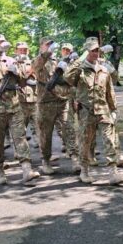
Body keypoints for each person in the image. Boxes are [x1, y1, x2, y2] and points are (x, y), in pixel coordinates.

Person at [63, 37, 123, 185]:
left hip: (103, 110)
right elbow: (67, 77)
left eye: (97, 50)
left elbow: (109, 90)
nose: (96, 53)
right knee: (85, 143)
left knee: (109, 141)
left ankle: (113, 172)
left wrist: (113, 109)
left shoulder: (103, 69)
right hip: (86, 112)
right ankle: (84, 171)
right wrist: (80, 60)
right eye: (92, 50)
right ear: (86, 52)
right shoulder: (79, 70)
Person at [0, 34, 39, 185]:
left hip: (14, 106)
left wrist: (17, 72)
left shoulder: (12, 60)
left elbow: (22, 81)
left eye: (2, 42)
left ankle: (27, 169)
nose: (0, 44)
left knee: (20, 137)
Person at [33, 38, 81, 174]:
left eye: (51, 44)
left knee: (69, 129)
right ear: (41, 46)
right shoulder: (38, 61)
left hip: (61, 101)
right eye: (47, 44)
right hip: (45, 103)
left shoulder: (59, 61)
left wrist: (72, 63)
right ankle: (46, 161)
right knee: (45, 134)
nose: (50, 46)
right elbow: (36, 66)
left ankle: (75, 158)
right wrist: (47, 52)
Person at [15, 42, 39, 145]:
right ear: (16, 51)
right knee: (20, 127)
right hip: (20, 100)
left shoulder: (34, 63)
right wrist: (28, 73)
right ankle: (20, 151)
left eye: (25, 49)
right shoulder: (12, 63)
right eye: (20, 50)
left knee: (38, 126)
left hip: (34, 99)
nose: (23, 51)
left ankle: (42, 151)